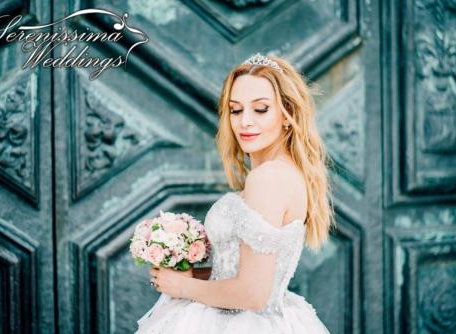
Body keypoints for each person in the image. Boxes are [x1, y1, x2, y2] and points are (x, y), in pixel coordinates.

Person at [135, 52, 335, 333]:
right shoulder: (282, 173)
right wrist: (193, 274)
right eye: (236, 109)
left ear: (287, 114)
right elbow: (241, 274)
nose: (245, 122)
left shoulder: (269, 178)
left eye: (261, 109)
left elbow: (252, 294)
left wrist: (182, 286)